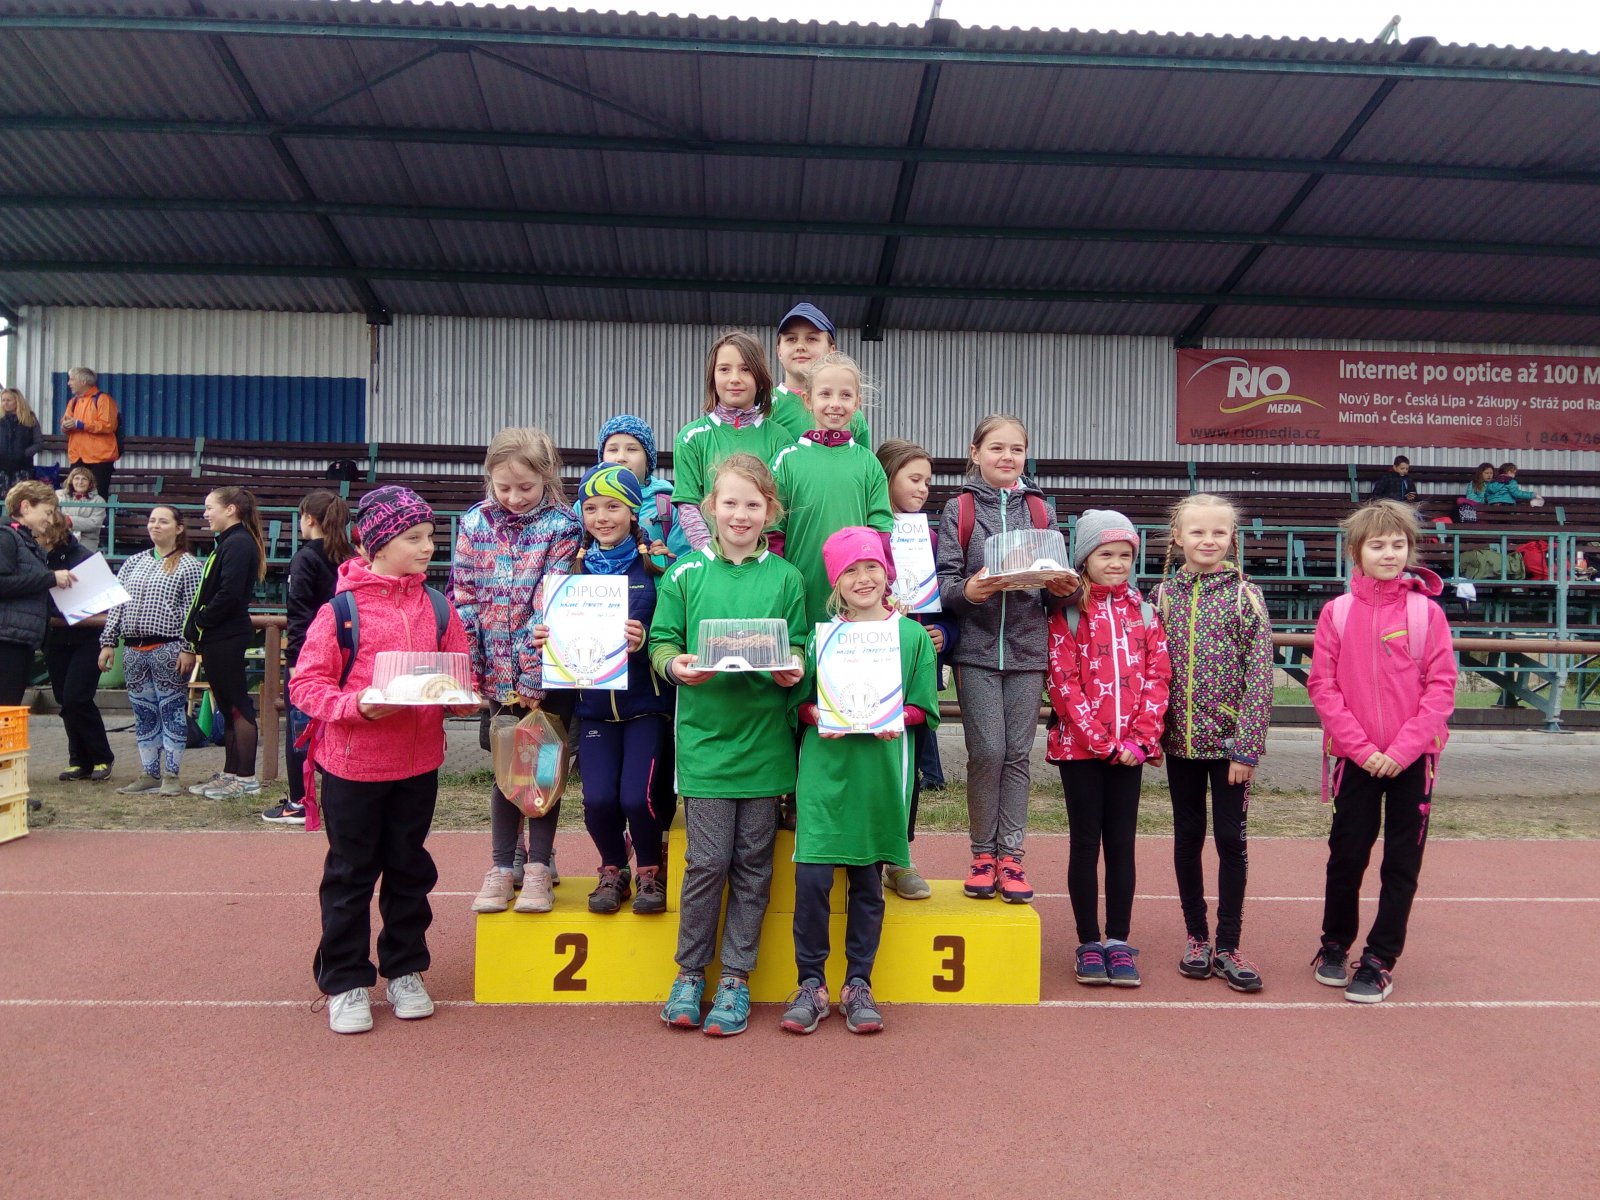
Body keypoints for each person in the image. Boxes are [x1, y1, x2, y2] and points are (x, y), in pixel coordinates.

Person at [291, 486, 474, 1034]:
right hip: (352, 767)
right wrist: (357, 706)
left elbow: (459, 673)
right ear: (376, 545)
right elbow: (305, 685)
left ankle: (405, 970)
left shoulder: (439, 606)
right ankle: (346, 980)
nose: (428, 547)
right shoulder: (340, 611)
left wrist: (462, 697)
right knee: (350, 874)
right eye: (414, 538)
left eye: (430, 536)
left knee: (409, 869)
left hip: (418, 766)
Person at [649, 453, 806, 1037]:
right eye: (731, 502)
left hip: (765, 747)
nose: (741, 514)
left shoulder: (787, 579)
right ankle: (690, 974)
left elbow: (799, 644)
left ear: (771, 511)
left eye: (754, 504)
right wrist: (675, 665)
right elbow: (662, 641)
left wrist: (794, 666)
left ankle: (736, 978)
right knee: (708, 862)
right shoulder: (685, 574)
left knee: (752, 866)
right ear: (711, 507)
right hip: (706, 744)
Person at [780, 527, 939, 1035]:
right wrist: (820, 716)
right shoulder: (820, 638)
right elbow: (799, 705)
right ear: (836, 582)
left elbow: (924, 708)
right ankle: (810, 983)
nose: (863, 578)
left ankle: (858, 983)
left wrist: (898, 718)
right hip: (825, 772)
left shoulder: (911, 637)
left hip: (879, 773)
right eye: (850, 570)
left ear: (887, 572)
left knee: (868, 882)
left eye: (871, 566)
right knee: (812, 880)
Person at [1308, 499, 1456, 1004]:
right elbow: (1323, 685)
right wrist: (1362, 748)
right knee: (1346, 856)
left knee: (1400, 864)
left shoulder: (1426, 612)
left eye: (1398, 545)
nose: (1389, 554)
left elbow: (1441, 688)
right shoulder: (1337, 612)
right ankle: (1334, 944)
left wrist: (1403, 750)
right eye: (1377, 545)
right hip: (1357, 759)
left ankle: (1379, 959)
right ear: (1357, 552)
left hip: (1413, 760)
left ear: (1410, 550)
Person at [936, 415, 1077, 904]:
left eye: (1016, 449)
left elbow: (1056, 589)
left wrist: (1063, 586)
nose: (1006, 457)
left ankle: (1011, 858)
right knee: (988, 752)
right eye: (996, 448)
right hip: (975, 652)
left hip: (1027, 651)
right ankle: (982, 855)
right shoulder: (959, 508)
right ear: (975, 452)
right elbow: (945, 583)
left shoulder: (1040, 510)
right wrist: (969, 591)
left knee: (1017, 755)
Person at [534, 465, 674, 915]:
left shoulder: (656, 569)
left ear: (633, 512)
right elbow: (552, 634)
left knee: (636, 796)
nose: (602, 517)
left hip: (645, 705)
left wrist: (645, 638)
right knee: (596, 801)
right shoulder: (569, 573)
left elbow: (674, 632)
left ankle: (649, 869)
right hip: (594, 709)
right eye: (591, 508)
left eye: (613, 506)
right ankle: (613, 869)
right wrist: (546, 638)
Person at [454, 427, 581, 915]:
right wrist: (471, 669)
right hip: (495, 671)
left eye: (525, 487)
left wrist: (531, 677)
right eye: (503, 487)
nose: (513, 497)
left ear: (547, 477)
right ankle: (502, 865)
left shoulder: (563, 526)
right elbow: (464, 597)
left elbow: (550, 605)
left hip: (544, 675)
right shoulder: (474, 522)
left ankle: (539, 866)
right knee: (506, 767)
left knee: (542, 767)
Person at [1152, 495, 1274, 991]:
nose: (1208, 541)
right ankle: (1197, 937)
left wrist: (1247, 746)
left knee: (1230, 841)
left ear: (1232, 538)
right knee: (1187, 838)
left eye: (1219, 532)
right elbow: (1150, 669)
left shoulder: (1247, 595)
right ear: (1178, 537)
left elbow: (1260, 676)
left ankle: (1228, 944)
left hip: (1229, 751)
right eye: (1198, 532)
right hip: (1179, 745)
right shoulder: (1162, 596)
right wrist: (1152, 733)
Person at [1046, 509, 1171, 988]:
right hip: (1081, 753)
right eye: (1105, 554)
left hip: (1130, 753)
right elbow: (1063, 683)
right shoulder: (1068, 613)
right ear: (1084, 559)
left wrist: (1140, 741)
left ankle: (1118, 941)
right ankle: (1087, 943)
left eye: (1124, 555)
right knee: (1086, 843)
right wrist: (1100, 742)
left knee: (1122, 845)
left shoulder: (1145, 612)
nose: (1116, 563)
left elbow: (1159, 678)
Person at [875, 438, 959, 899]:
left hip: (915, 667)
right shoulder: (864, 532)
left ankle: (899, 857)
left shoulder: (932, 538)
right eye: (914, 478)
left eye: (928, 480)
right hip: (866, 660)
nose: (924, 488)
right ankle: (861, 857)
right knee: (869, 759)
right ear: (886, 477)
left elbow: (948, 604)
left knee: (909, 759)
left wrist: (944, 633)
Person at [770, 352, 893, 625]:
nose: (835, 404)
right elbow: (773, 532)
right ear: (808, 400)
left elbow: (881, 532)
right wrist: (778, 587)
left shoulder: (868, 463)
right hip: (799, 596)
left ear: (857, 403)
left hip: (857, 602)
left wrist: (883, 593)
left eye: (845, 395)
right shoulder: (786, 460)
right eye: (825, 394)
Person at [98, 505, 202, 795]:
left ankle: (172, 774)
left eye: (163, 521)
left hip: (169, 646)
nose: (155, 525)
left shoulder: (189, 566)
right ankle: (149, 772)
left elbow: (192, 610)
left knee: (171, 709)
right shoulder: (133, 562)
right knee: (143, 712)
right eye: (152, 521)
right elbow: (117, 605)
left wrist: (188, 647)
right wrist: (108, 642)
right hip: (134, 647)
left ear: (178, 528)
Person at [264, 491, 354, 825]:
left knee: (300, 729)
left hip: (312, 656)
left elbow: (298, 613)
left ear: (309, 519)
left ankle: (300, 802)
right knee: (338, 727)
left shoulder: (305, 558)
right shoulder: (352, 557)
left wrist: (295, 661)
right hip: (347, 654)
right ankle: (339, 797)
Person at [669, 330, 792, 554]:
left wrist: (763, 559)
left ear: (760, 378)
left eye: (745, 369)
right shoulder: (691, 437)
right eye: (724, 369)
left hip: (763, 562)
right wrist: (711, 555)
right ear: (712, 378)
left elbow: (780, 511)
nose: (735, 378)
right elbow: (688, 505)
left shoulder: (780, 439)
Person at [183, 486, 266, 800]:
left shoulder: (239, 542)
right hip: (217, 636)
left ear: (230, 509)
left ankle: (246, 778)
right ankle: (231, 773)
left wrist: (202, 619)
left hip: (226, 634)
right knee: (227, 706)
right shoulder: (229, 542)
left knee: (238, 706)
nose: (205, 514)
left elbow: (229, 593)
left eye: (210, 508)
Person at [39, 512, 114, 783]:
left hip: (87, 639)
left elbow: (108, 601)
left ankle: (102, 755)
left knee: (77, 697)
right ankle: (78, 760)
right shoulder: (38, 557)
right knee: (64, 700)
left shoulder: (84, 557)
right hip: (56, 639)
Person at [0, 481, 75, 706]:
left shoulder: (26, 542)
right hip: (6, 641)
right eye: (48, 512)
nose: (51, 520)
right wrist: (50, 578)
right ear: (25, 507)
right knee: (5, 708)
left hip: (20, 639)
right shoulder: (6, 536)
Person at [767, 302, 870, 445]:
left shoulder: (851, 415)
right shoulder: (764, 406)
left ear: (831, 350)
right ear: (779, 351)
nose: (800, 347)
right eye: (791, 339)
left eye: (812, 339)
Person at [595, 414, 683, 566]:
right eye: (613, 449)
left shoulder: (669, 506)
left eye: (632, 449)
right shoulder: (585, 504)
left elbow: (687, 563)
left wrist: (667, 559)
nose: (620, 458)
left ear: (648, 460)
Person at [60, 367, 119, 500]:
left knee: (98, 496)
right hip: (78, 456)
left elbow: (108, 425)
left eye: (72, 379)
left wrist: (81, 425)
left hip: (100, 458)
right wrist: (66, 426)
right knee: (73, 495)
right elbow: (65, 423)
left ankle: (98, 515)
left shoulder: (103, 399)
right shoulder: (73, 402)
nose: (69, 383)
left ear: (83, 381)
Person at [0, 388, 43, 492]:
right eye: (3, 400)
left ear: (17, 401)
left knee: (21, 496)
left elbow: (38, 443)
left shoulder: (29, 418)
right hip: (2, 466)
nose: (5, 403)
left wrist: (25, 454)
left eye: (9, 400)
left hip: (23, 466)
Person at [56, 466, 106, 554]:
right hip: (62, 538)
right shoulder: (60, 496)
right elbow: (55, 518)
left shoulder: (98, 500)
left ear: (90, 483)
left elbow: (94, 523)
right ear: (71, 481)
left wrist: (70, 521)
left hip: (87, 541)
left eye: (84, 479)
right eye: (77, 478)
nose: (80, 482)